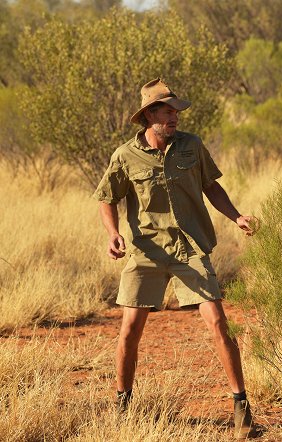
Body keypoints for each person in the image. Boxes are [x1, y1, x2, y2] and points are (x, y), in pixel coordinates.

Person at [93, 78, 257, 440]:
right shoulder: (124, 155)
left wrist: (237, 216)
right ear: (149, 115)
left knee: (217, 321)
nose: (174, 117)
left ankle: (241, 406)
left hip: (190, 249)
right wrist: (113, 233)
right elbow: (107, 197)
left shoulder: (191, 146)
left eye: (176, 111)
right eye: (167, 111)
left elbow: (211, 186)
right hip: (146, 251)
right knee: (130, 330)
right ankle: (123, 405)